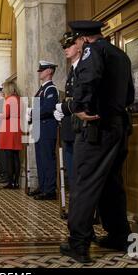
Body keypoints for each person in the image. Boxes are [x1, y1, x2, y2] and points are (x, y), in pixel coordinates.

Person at [58, 20, 135, 263]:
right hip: (119, 126)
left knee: (84, 183)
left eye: (76, 41)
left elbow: (89, 78)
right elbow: (130, 94)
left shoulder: (94, 50)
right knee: (112, 182)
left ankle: (78, 243)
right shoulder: (120, 55)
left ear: (82, 38)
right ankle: (119, 235)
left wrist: (79, 107)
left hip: (96, 129)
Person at [54, 32, 83, 190]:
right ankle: (75, 204)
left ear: (79, 46)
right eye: (64, 46)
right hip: (70, 123)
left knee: (77, 167)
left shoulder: (83, 67)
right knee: (71, 166)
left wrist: (65, 107)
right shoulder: (73, 69)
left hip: (79, 121)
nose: (66, 49)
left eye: (69, 45)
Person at [29, 61, 59, 200]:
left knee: (47, 158)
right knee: (40, 159)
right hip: (39, 127)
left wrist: (32, 113)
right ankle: (42, 186)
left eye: (42, 70)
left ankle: (50, 189)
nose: (40, 72)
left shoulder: (51, 89)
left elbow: (48, 108)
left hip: (47, 127)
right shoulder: (41, 89)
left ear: (49, 71)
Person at [0, 82, 23, 189]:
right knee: (16, 156)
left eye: (4, 89)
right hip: (17, 128)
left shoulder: (10, 99)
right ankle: (16, 181)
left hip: (9, 129)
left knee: (9, 157)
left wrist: (0, 115)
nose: (3, 91)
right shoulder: (19, 99)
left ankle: (10, 181)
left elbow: (6, 114)